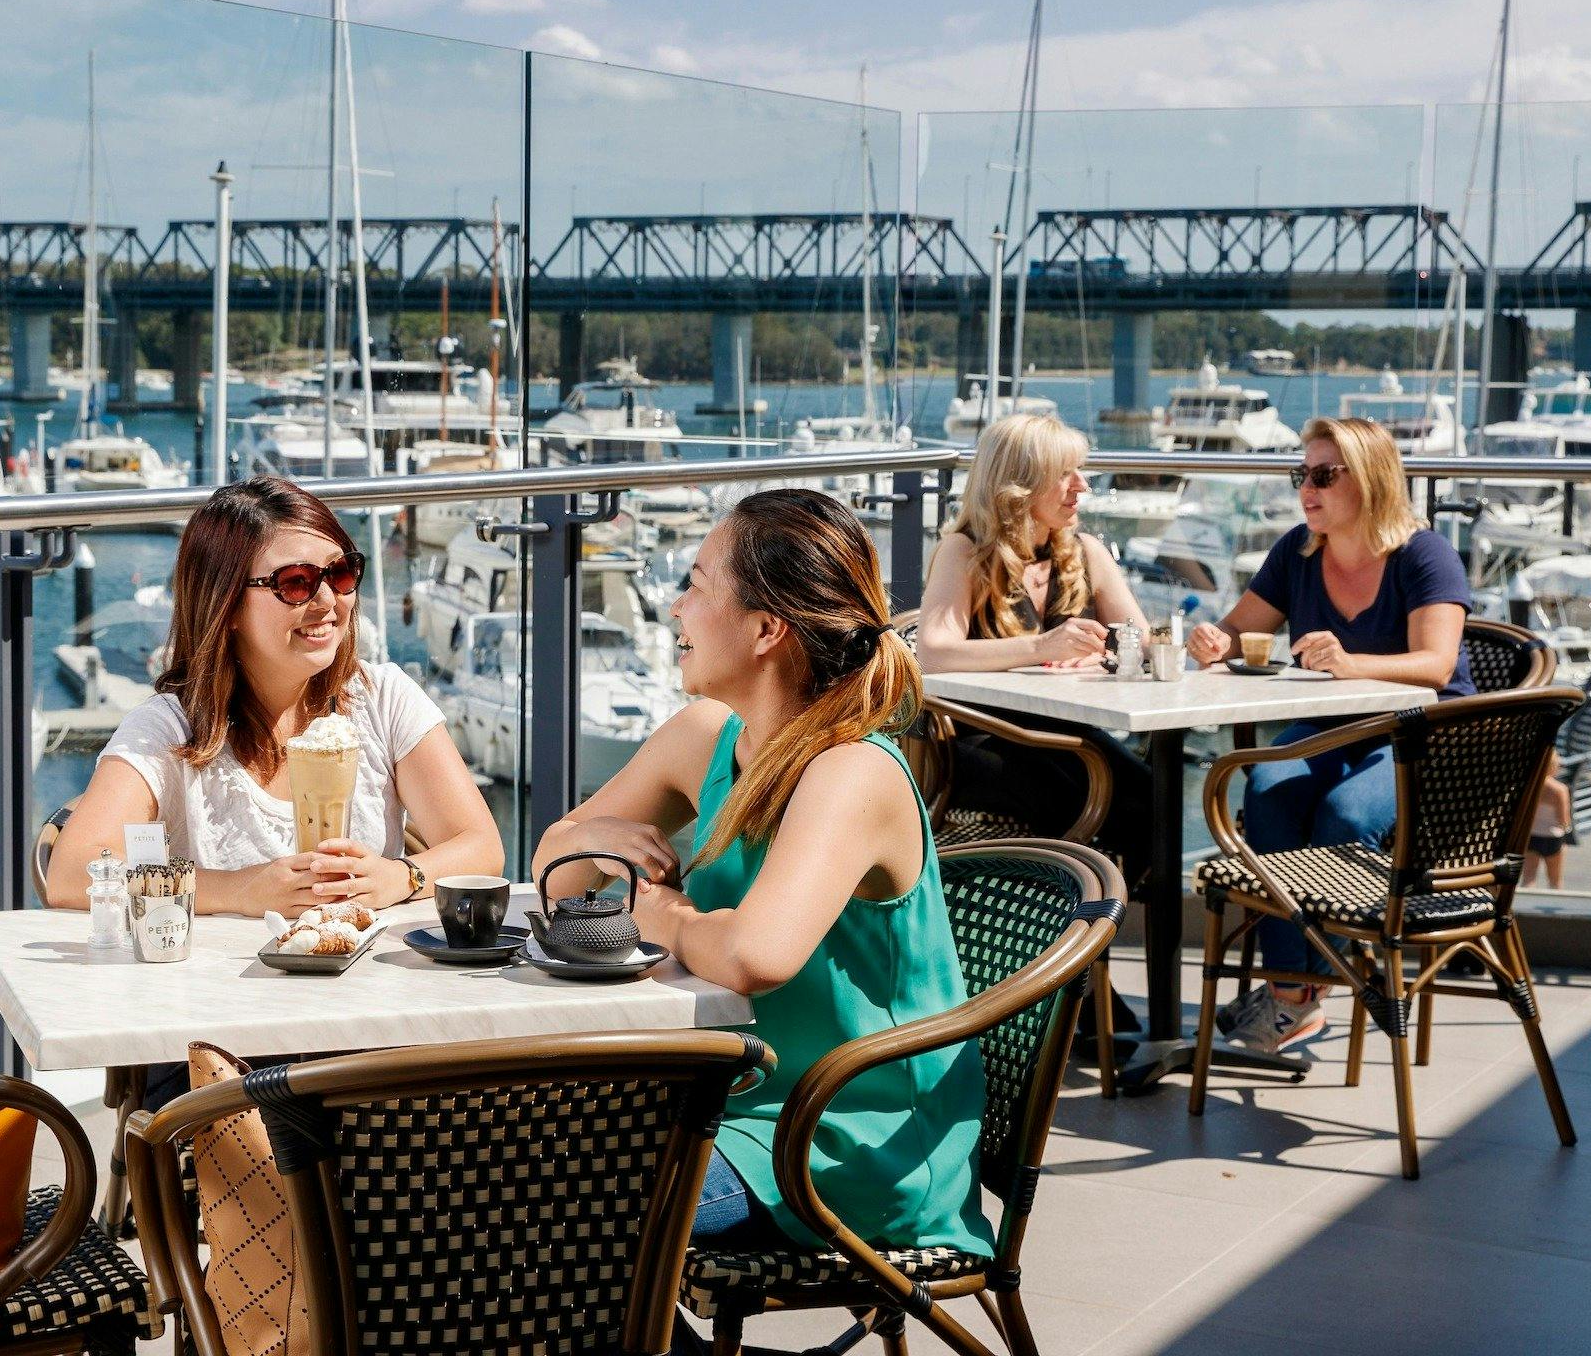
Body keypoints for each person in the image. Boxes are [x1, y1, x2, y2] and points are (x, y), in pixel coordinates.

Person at [532, 489, 994, 1257]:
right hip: (725, 1104)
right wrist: (599, 834)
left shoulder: (850, 771)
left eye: (696, 585)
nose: (674, 608)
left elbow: (754, 955)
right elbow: (554, 871)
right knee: (496, 1173)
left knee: (552, 1215)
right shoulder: (710, 737)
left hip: (838, 1143)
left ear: (765, 628)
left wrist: (663, 914)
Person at [46, 476, 504, 916]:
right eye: (296, 582)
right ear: (226, 607)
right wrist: (240, 890)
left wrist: (398, 878)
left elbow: (481, 847)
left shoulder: (382, 697)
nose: (328, 600)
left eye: (341, 573)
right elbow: (71, 875)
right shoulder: (173, 728)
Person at [1187, 415, 1473, 1055]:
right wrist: (1211, 641)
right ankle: (1296, 996)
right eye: (1301, 475)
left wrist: (1351, 662)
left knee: (1345, 814)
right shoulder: (1299, 550)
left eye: (1323, 476)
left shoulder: (1424, 554)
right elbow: (1237, 630)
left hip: (1420, 737)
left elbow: (1437, 665)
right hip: (1333, 729)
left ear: (1369, 481)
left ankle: (1294, 993)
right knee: (1268, 788)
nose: (1306, 490)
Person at [915, 412, 1157, 898]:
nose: (1082, 487)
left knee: (1155, 800)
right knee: (1112, 808)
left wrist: (1099, 653)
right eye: (1066, 474)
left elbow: (1141, 639)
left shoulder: (1086, 552)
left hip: (1069, 735)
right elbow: (933, 651)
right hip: (987, 742)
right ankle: (1070, 959)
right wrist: (1041, 648)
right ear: (1021, 483)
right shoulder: (964, 552)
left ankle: (1084, 956)